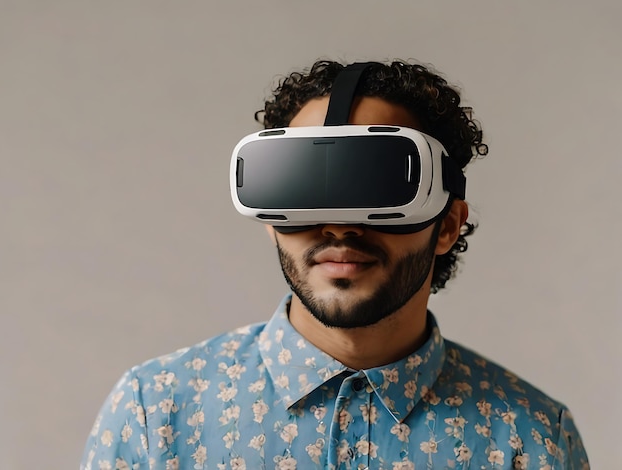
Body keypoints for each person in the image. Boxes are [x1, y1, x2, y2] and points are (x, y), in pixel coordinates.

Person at [81, 60, 589, 470]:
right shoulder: (154, 414)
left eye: (380, 186)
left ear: (449, 225)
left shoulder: (535, 440)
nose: (339, 226)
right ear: (270, 216)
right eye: (304, 190)